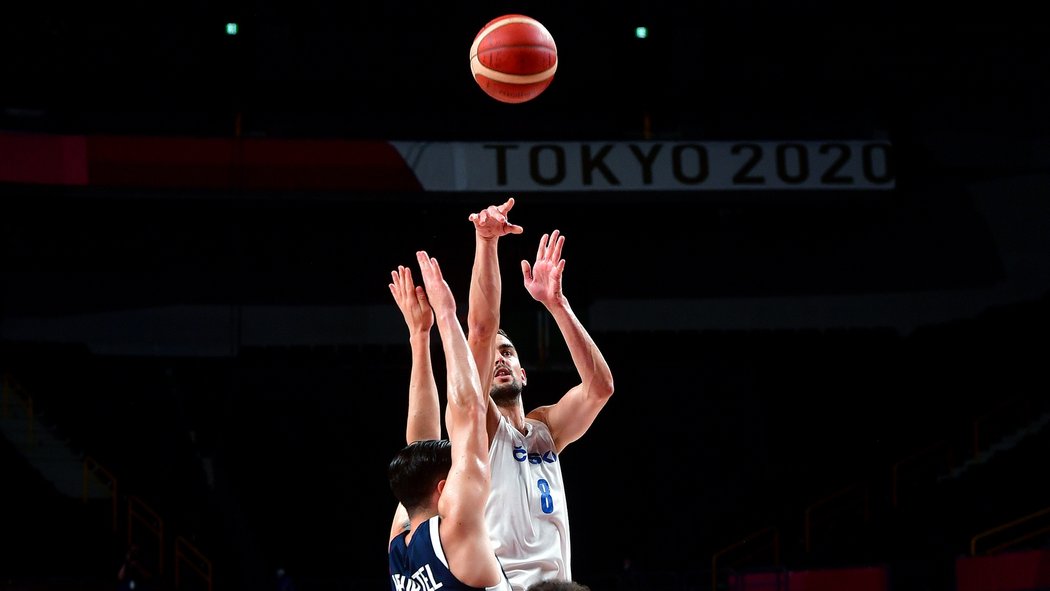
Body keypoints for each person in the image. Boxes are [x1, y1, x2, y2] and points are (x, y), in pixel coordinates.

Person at [466, 198, 615, 590]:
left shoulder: (545, 427)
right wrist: (486, 242)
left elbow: (599, 388)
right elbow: (481, 332)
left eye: (509, 352)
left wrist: (558, 304)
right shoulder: (479, 430)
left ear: (523, 373)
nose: (499, 360)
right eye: (492, 357)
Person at [387, 250, 513, 591]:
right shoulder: (455, 531)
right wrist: (446, 315)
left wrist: (419, 336)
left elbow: (418, 446)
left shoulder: (401, 542)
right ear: (443, 489)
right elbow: (471, 411)